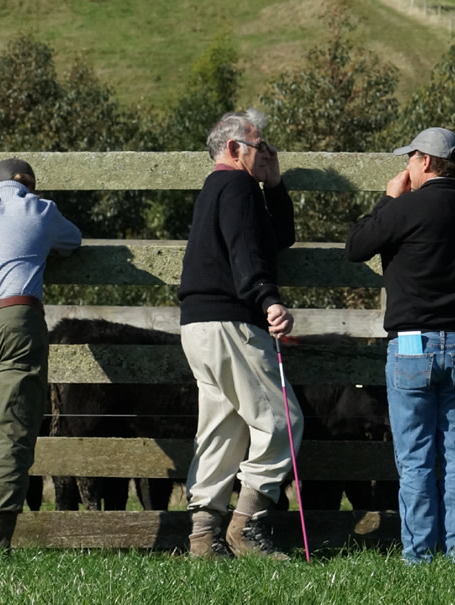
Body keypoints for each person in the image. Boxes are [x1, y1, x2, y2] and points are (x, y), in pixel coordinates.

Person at [347, 127, 455, 564]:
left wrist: (388, 200)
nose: (407, 167)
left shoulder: (404, 208)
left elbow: (355, 246)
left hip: (411, 344)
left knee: (415, 458)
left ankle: (418, 555)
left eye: (411, 158)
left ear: (428, 162)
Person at [178, 109, 300, 559]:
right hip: (231, 321)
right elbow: (247, 252)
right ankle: (246, 526)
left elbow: (277, 237)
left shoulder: (221, 188)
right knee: (282, 420)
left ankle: (202, 538)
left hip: (198, 324)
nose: (265, 150)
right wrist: (268, 299)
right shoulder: (236, 186)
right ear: (233, 148)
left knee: (221, 430)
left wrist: (275, 182)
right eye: (259, 144)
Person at [0, 158, 83, 556]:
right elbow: (73, 241)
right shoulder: (42, 211)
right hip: (17, 320)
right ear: (31, 187)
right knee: (12, 437)